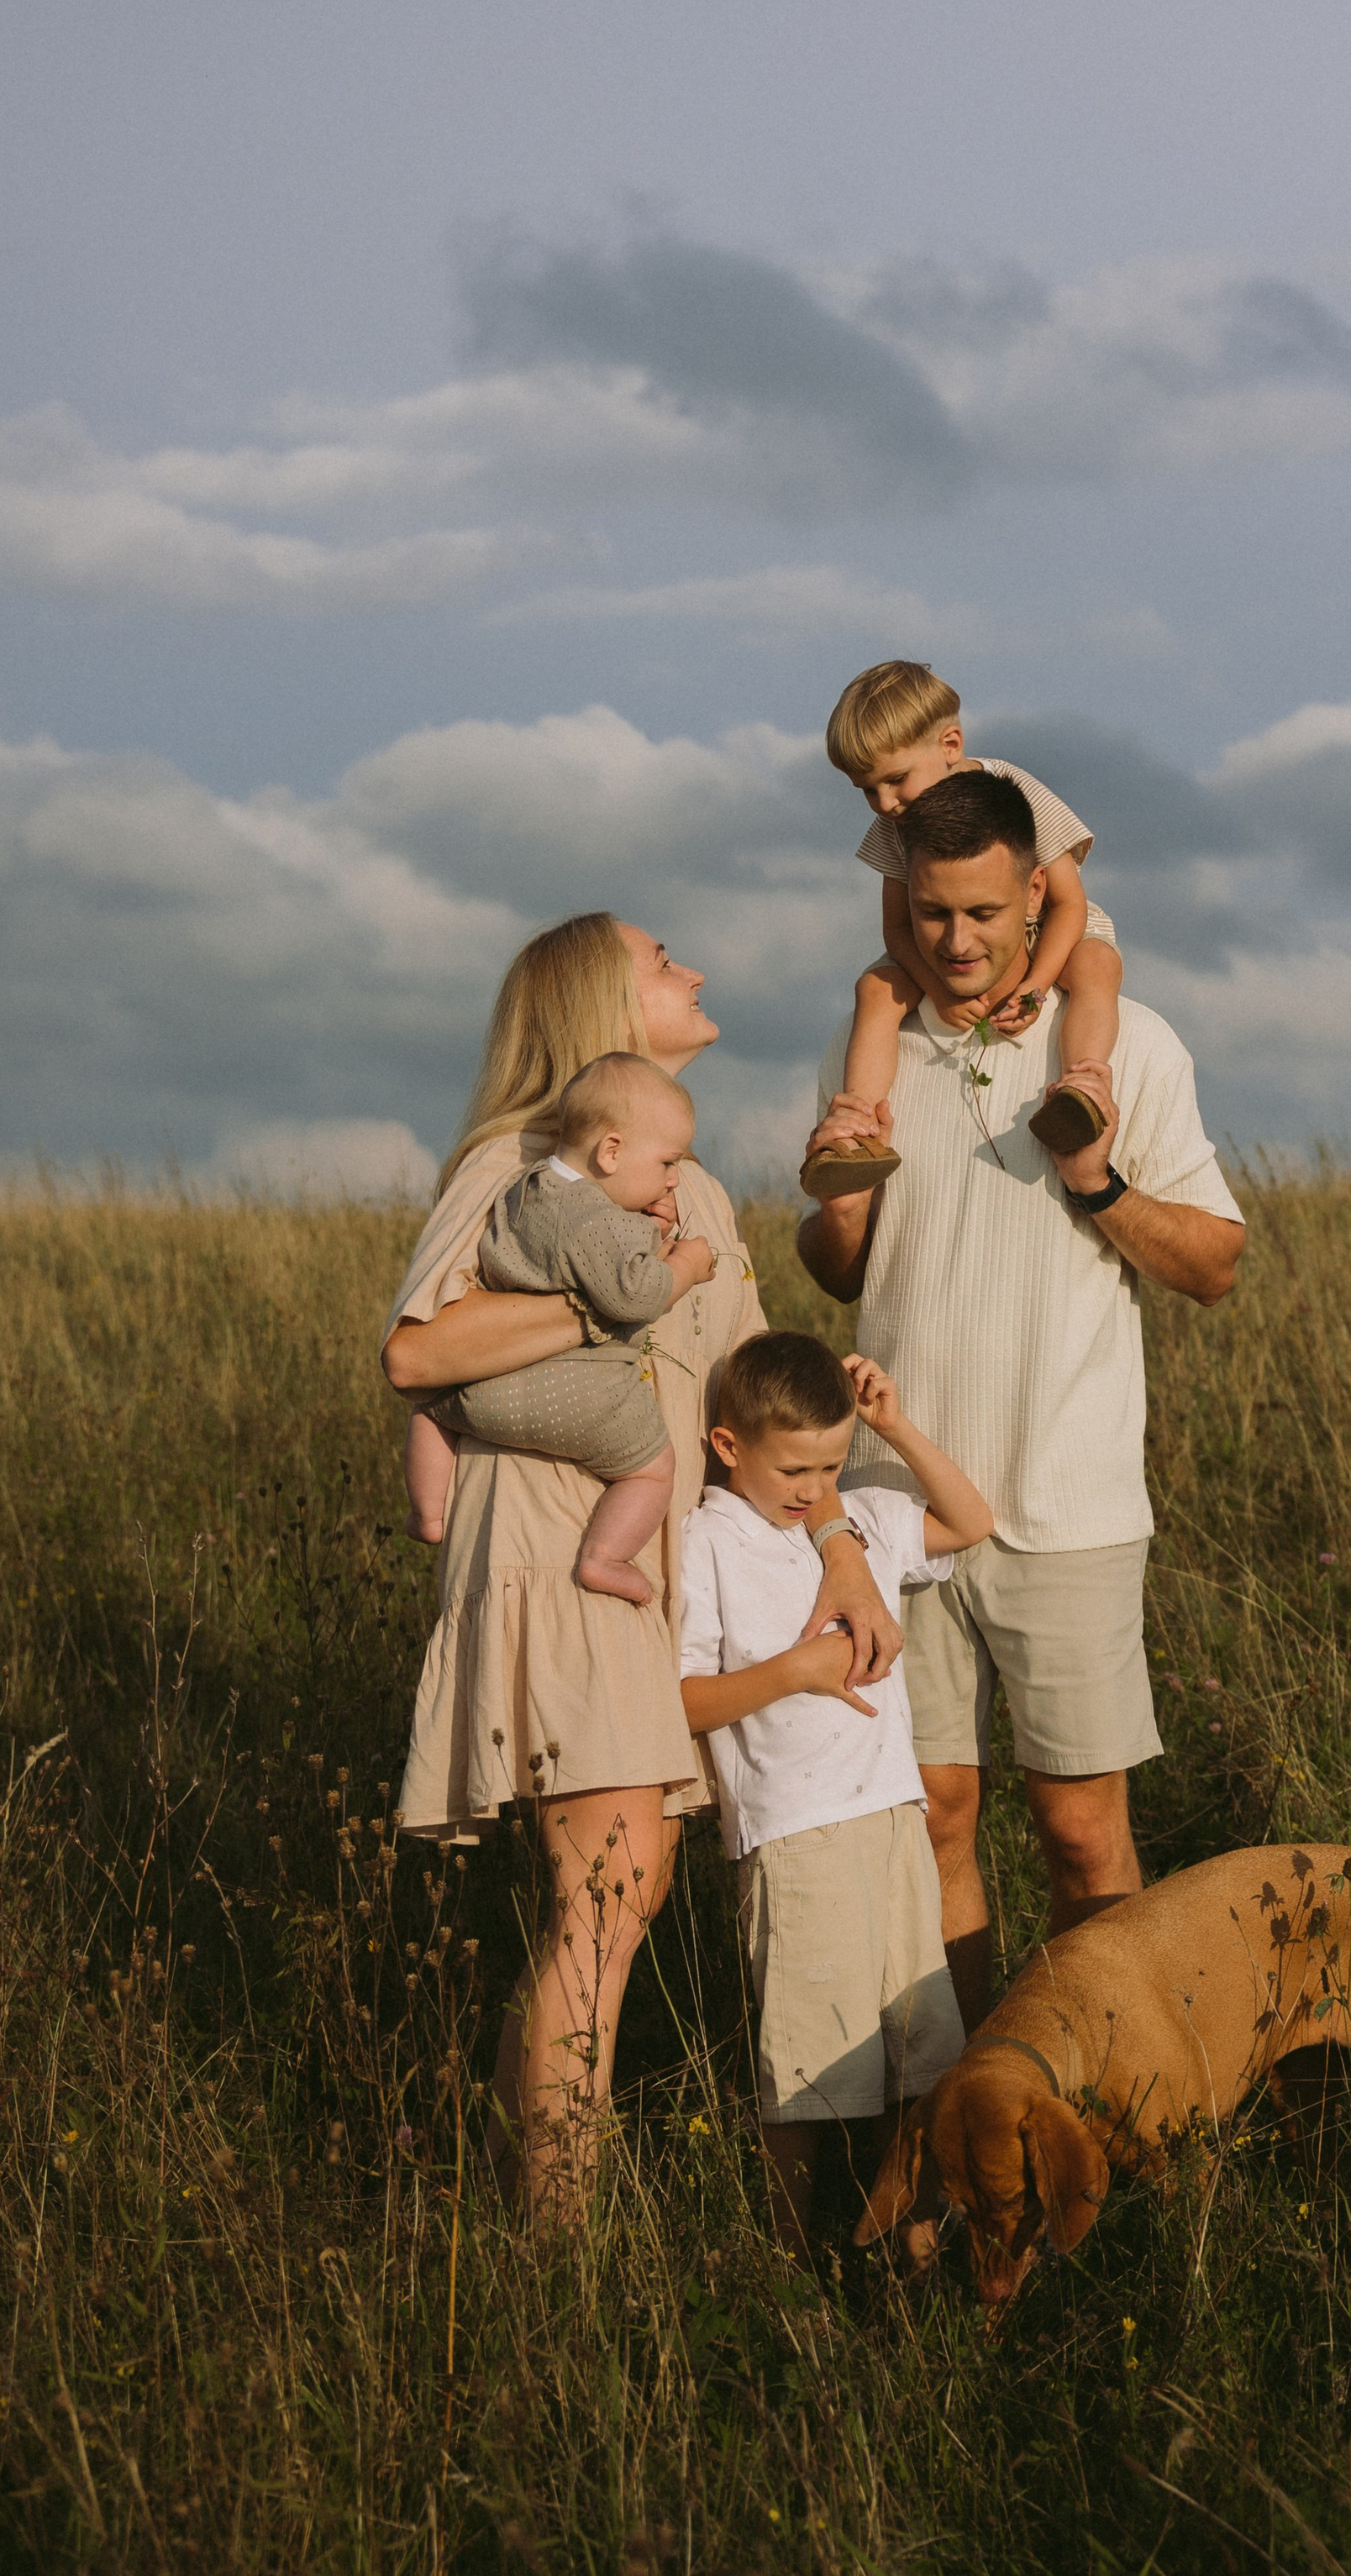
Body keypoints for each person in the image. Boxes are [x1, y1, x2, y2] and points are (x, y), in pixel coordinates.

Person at [381, 913, 903, 2217]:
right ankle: (560, 2234)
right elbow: (416, 1353)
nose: (698, 971)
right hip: (563, 1556)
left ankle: (537, 2214)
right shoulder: (522, 1168)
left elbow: (762, 1396)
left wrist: (838, 1541)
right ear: (600, 1007)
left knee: (614, 1898)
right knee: (608, 1897)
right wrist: (616, 1291)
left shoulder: (701, 1193)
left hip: (650, 1566)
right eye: (667, 962)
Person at [797, 766, 1246, 2037]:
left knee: (1081, 1830)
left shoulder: (1123, 1044)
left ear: (1033, 893)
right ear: (904, 902)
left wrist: (1098, 1184)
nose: (957, 941)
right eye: (932, 913)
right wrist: (839, 1215)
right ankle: (963, 2117)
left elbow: (1215, 1264)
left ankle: (1115, 2098)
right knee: (931, 1819)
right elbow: (839, 1270)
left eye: (985, 912)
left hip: (1070, 1503)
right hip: (900, 1514)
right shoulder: (878, 1050)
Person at [677, 1332, 989, 2251]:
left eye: (831, 1462)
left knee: (919, 2051)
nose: (814, 1487)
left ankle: (905, 2238)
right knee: (806, 2066)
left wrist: (893, 1428)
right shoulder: (708, 1541)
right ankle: (783, 2252)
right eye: (794, 1467)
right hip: (794, 1831)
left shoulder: (858, 1522)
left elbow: (970, 1520)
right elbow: (685, 1699)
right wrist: (793, 1673)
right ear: (729, 1448)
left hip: (891, 1816)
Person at [802, 658, 1124, 1199]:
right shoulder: (895, 825)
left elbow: (1068, 903)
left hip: (1045, 933)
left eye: (896, 780)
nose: (885, 803)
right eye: (867, 790)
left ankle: (1082, 1089)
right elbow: (898, 927)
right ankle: (855, 1132)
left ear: (950, 744)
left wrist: (1038, 983)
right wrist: (934, 989)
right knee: (875, 989)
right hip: (937, 955)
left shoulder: (1014, 792)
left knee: (1096, 964)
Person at [402, 1052, 715, 1606]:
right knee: (653, 1471)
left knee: (430, 1408)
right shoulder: (596, 1218)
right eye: (667, 1163)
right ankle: (605, 1557)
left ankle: (429, 1512)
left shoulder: (520, 1190)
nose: (672, 1179)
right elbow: (633, 1294)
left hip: (492, 1394)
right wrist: (684, 1265)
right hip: (587, 1400)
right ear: (611, 1151)